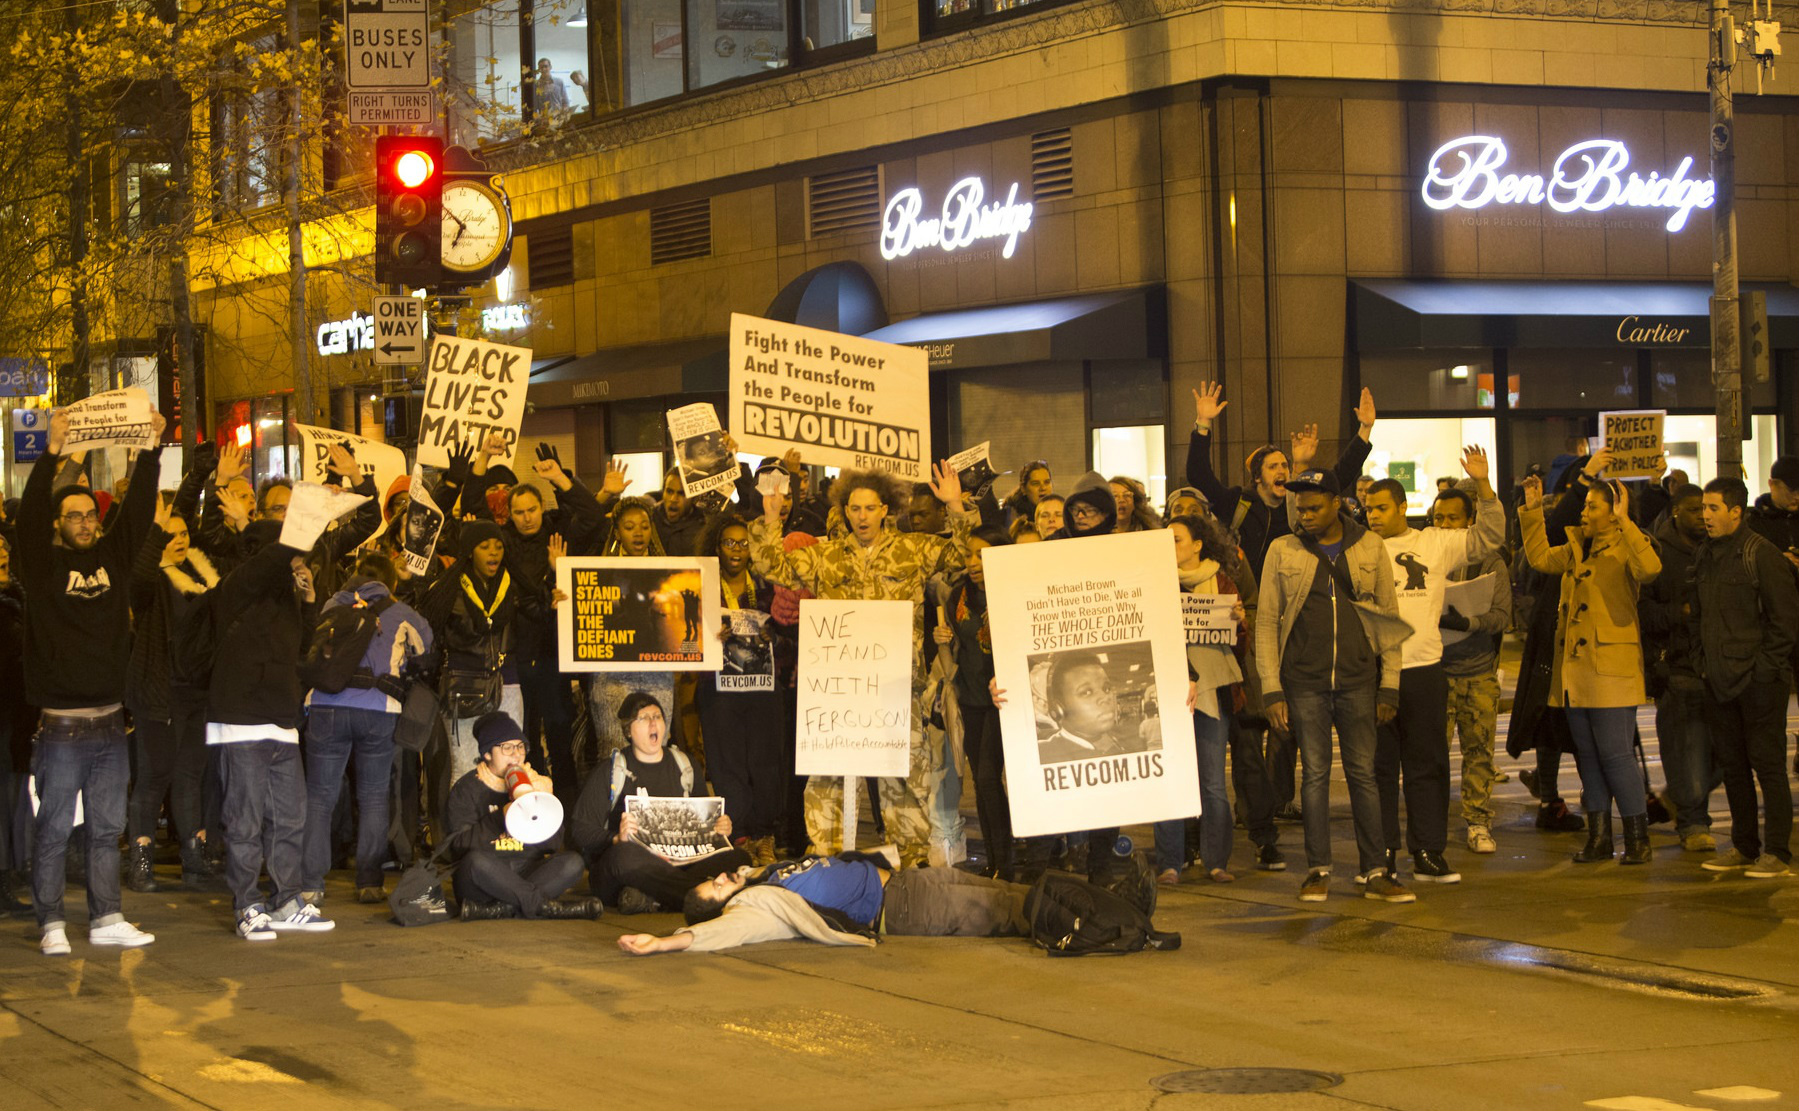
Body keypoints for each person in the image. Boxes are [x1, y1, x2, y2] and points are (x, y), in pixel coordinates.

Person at [748, 461, 969, 867]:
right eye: (854, 509)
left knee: (902, 775)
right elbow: (770, 566)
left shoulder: (914, 549)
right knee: (827, 775)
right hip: (837, 692)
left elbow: (962, 557)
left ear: (886, 509)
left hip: (897, 689)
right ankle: (826, 861)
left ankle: (912, 863)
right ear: (844, 511)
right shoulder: (824, 556)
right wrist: (771, 517)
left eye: (870, 508)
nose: (862, 516)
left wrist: (955, 506)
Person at [18, 408, 164, 956]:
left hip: (109, 727)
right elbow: (30, 517)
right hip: (60, 732)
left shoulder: (114, 559)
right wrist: (51, 454)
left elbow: (138, 512)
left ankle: (106, 915)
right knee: (55, 830)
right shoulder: (41, 567)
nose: (83, 521)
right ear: (58, 525)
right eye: (72, 515)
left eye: (88, 514)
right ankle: (51, 921)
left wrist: (151, 447)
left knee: (107, 830)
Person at [1255, 468, 1410, 904]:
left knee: (1365, 776)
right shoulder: (1282, 550)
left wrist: (1390, 685)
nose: (1304, 516)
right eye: (1299, 509)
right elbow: (1266, 621)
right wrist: (1271, 689)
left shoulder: (1371, 547)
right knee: (1315, 777)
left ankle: (1375, 870)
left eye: (1313, 507)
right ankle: (1318, 869)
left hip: (1360, 681)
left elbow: (1387, 620)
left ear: (1337, 503)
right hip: (1303, 683)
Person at [1356, 447, 1503, 884]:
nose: (1374, 516)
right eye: (1368, 509)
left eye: (1382, 508)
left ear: (1404, 507)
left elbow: (1489, 537)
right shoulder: (1359, 550)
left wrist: (1483, 485)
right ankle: (1382, 852)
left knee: (1427, 765)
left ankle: (1428, 851)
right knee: (1378, 768)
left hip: (1423, 668)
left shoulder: (1433, 542)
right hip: (1373, 674)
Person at [204, 518, 341, 940]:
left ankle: (286, 901)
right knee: (243, 821)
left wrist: (310, 601)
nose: (297, 562)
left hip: (282, 722)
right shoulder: (238, 587)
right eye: (292, 555)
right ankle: (247, 904)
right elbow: (266, 562)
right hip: (240, 721)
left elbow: (301, 652)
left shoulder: (288, 598)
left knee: (289, 819)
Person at [1518, 469, 1661, 865]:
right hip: (1576, 671)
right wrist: (1531, 512)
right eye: (1584, 505)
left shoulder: (1629, 545)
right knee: (1589, 756)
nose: (1584, 512)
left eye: (1592, 505)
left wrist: (1627, 521)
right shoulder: (1578, 545)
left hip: (1612, 669)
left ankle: (1638, 839)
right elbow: (1540, 558)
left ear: (1613, 511)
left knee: (1616, 756)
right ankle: (1599, 838)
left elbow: (1650, 570)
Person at [300, 553, 433, 905]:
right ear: (390, 580)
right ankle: (370, 881)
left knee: (320, 796)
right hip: (378, 709)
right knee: (374, 796)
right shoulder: (401, 612)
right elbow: (426, 649)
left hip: (326, 706)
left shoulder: (331, 603)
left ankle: (311, 883)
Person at [616, 847, 1038, 954]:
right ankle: (1099, 925)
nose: (722, 878)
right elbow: (721, 934)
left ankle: (1095, 907)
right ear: (722, 904)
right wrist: (663, 943)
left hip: (912, 881)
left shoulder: (758, 876)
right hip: (904, 909)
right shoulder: (753, 906)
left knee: (1018, 894)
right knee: (1015, 912)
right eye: (717, 889)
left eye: (714, 879)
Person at [1690, 477, 1798, 878]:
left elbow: (1784, 622)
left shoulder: (1761, 555)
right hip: (1718, 679)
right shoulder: (1706, 554)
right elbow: (1699, 616)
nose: (1706, 515)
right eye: (1704, 508)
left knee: (1767, 765)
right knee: (1734, 766)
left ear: (1736, 511)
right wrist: (1703, 662)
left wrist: (1763, 670)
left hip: (1758, 683)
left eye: (1713, 508)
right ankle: (1744, 846)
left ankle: (1777, 852)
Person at [124, 457, 220, 892]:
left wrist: (203, 480)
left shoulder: (203, 576)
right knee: (154, 776)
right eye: (170, 535)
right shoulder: (150, 583)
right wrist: (191, 483)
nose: (179, 540)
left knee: (189, 777)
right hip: (158, 695)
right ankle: (140, 858)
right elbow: (139, 575)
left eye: (183, 533)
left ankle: (195, 857)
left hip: (195, 694)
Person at [575, 692, 754, 912]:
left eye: (657, 716)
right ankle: (703, 897)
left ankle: (653, 897)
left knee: (739, 857)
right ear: (628, 730)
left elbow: (704, 822)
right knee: (624, 855)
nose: (653, 722)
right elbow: (580, 831)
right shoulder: (612, 771)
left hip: (678, 864)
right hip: (629, 866)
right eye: (644, 718)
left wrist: (719, 828)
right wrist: (615, 838)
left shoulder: (685, 765)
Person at [1154, 514, 1246, 885]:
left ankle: (1216, 861)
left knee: (1212, 781)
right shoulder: (1156, 583)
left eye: (1176, 539)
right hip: (1168, 690)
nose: (1169, 546)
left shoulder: (1221, 582)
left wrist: (1239, 623)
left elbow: (1239, 645)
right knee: (1171, 779)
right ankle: (1169, 863)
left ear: (1197, 545)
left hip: (1212, 689)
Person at [693, 515, 789, 866]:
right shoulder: (702, 585)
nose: (736, 550)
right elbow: (683, 636)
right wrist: (708, 637)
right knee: (726, 765)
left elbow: (789, 631)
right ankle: (741, 836)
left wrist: (772, 637)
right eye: (729, 543)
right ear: (716, 547)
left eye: (743, 543)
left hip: (763, 690)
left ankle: (765, 836)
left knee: (765, 763)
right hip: (718, 689)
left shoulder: (767, 585)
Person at [442, 712, 598, 920]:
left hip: (525, 872)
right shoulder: (467, 788)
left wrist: (539, 807)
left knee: (573, 862)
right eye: (507, 748)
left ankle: (503, 908)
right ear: (487, 753)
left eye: (520, 747)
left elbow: (552, 844)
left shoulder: (536, 784)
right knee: (475, 861)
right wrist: (500, 818)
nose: (516, 755)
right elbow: (458, 845)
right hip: (485, 878)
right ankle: (543, 906)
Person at [1432, 486, 1512, 855]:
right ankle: (1430, 825)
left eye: (1453, 518)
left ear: (1469, 522)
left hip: (1477, 672)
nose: (1445, 525)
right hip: (1436, 672)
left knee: (1479, 752)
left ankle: (1478, 822)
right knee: (1432, 753)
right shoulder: (1425, 557)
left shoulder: (1491, 561)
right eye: (1438, 518)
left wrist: (1469, 622)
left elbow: (1501, 616)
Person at [933, 526, 1015, 880]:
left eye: (980, 555)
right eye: (969, 555)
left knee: (987, 775)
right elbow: (954, 646)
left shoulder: (1012, 593)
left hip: (1003, 699)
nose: (972, 563)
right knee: (982, 784)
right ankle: (996, 861)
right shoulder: (959, 596)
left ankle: (1008, 862)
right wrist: (941, 639)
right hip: (970, 697)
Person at [1639, 484, 1718, 853]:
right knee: (1686, 749)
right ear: (1674, 512)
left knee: (1735, 751)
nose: (1702, 516)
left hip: (1722, 666)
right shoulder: (1657, 553)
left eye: (1706, 509)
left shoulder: (1721, 546)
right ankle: (1693, 821)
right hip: (1679, 665)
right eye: (1693, 510)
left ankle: (1682, 799)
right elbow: (1643, 612)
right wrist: (1679, 614)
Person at [653, 467, 706, 556]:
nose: (673, 499)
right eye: (669, 491)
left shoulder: (704, 524)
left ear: (693, 497)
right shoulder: (650, 519)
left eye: (681, 493)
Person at [1003, 460, 1053, 529]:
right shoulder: (1012, 517)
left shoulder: (1061, 511)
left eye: (1047, 482)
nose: (1043, 488)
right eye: (1036, 483)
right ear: (1023, 489)